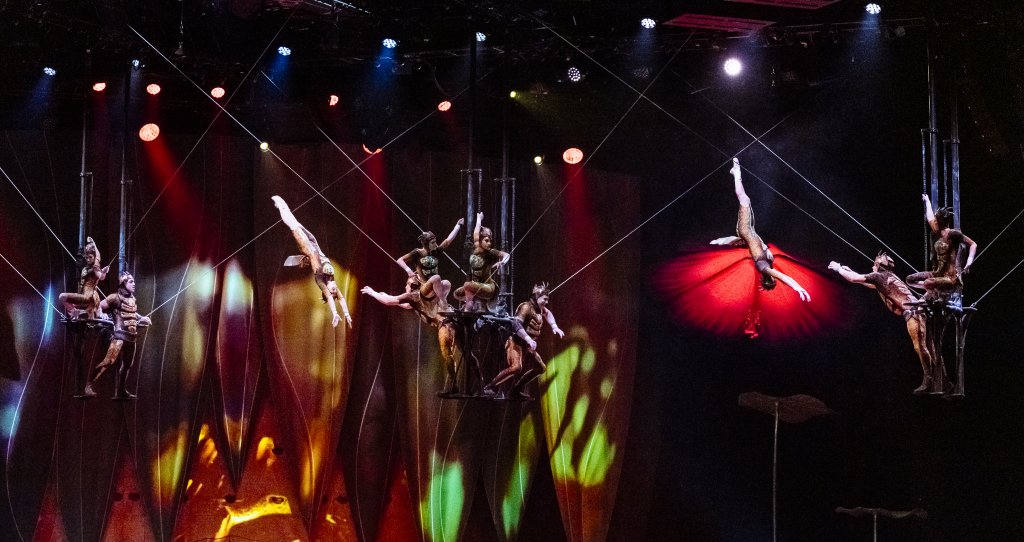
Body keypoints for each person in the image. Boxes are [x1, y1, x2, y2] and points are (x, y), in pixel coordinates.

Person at [829, 253, 943, 394]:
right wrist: (849, 271)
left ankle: (929, 379)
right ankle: (943, 381)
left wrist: (838, 268)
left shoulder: (879, 276)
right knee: (930, 347)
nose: (872, 266)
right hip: (918, 311)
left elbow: (854, 279)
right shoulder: (888, 276)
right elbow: (868, 283)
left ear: (878, 265)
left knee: (920, 346)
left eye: (874, 264)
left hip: (914, 313)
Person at [710, 158, 811, 302]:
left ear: (770, 278)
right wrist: (765, 248)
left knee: (744, 199)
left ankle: (736, 173)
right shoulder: (768, 263)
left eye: (773, 279)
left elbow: (783, 277)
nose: (775, 277)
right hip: (750, 232)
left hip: (746, 230)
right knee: (746, 200)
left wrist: (797, 287)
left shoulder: (763, 267)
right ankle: (735, 173)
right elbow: (761, 246)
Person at [272, 196, 352, 328]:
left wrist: (334, 313)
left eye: (331, 293)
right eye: (334, 293)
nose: (334, 292)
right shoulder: (332, 281)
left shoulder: (321, 282)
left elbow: (330, 298)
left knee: (293, 226)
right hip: (315, 245)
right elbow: (341, 299)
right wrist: (347, 315)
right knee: (297, 224)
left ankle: (280, 206)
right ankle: (303, 259)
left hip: (308, 249)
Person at [361, 285, 458, 391]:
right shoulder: (417, 297)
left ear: (413, 286)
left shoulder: (414, 295)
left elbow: (389, 301)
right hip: (450, 321)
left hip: (446, 323)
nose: (405, 286)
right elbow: (403, 304)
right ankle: (456, 384)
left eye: (408, 284)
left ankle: (454, 385)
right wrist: (384, 295)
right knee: (453, 353)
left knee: (447, 353)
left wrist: (373, 293)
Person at [482, 283, 564, 400]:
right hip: (516, 343)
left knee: (540, 368)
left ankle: (516, 389)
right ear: (537, 296)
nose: (546, 302)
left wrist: (554, 326)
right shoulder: (526, 307)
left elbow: (548, 314)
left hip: (528, 346)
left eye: (547, 299)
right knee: (516, 367)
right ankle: (490, 387)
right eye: (545, 299)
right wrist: (528, 338)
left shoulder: (540, 309)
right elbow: (516, 324)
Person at [82, 272, 152, 399]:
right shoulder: (114, 298)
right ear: (123, 283)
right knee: (108, 361)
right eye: (130, 281)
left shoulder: (132, 299)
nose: (134, 283)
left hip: (131, 338)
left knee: (127, 365)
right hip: (119, 337)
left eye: (134, 281)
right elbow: (98, 306)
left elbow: (132, 312)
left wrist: (142, 318)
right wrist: (101, 314)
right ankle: (88, 385)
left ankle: (121, 391)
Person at [906, 194, 977, 300]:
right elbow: (930, 217)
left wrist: (969, 262)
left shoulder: (953, 234)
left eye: (937, 220)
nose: (935, 221)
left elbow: (973, 244)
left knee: (928, 282)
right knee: (910, 279)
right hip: (938, 274)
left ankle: (930, 295)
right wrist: (927, 201)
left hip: (950, 278)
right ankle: (933, 290)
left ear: (942, 221)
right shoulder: (938, 231)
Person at [396, 219, 463, 302]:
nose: (435, 244)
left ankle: (439, 302)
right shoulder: (418, 252)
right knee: (436, 278)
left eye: (435, 242)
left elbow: (449, 240)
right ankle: (442, 302)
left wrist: (458, 225)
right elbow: (400, 260)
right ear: (426, 244)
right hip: (423, 287)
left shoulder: (436, 251)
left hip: (434, 288)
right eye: (433, 242)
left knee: (446, 283)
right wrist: (408, 271)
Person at [454, 212, 509, 311]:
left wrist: (502, 262)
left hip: (488, 287)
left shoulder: (490, 252)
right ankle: (474, 301)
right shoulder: (476, 247)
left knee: (467, 285)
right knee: (457, 293)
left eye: (490, 241)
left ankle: (469, 306)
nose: (489, 243)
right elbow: (476, 231)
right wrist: (479, 218)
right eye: (486, 240)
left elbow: (506, 255)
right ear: (480, 240)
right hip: (475, 285)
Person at [59, 237, 110, 320]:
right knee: (63, 297)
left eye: (90, 257)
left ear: (94, 257)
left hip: (88, 297)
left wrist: (104, 272)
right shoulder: (87, 267)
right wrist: (93, 243)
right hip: (82, 296)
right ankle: (75, 312)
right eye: (86, 258)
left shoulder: (95, 268)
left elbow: (101, 277)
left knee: (62, 296)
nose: (88, 260)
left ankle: (77, 312)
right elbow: (97, 256)